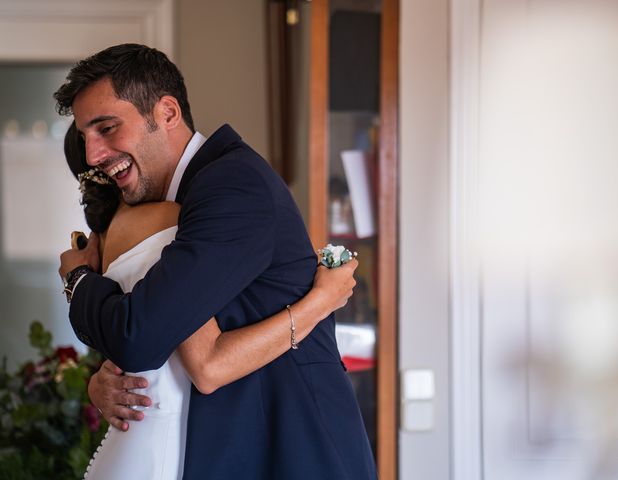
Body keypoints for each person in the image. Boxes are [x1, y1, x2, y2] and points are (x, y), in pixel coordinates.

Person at [56, 43, 377, 479]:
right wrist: (105, 380)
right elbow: (160, 329)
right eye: (86, 137)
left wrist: (77, 278)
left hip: (296, 448)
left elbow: (143, 337)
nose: (93, 155)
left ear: (168, 113)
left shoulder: (232, 187)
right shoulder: (173, 204)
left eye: (107, 128)